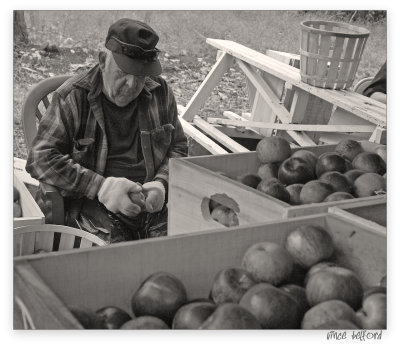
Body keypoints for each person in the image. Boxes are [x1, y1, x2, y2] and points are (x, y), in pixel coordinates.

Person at [26, 18, 188, 243]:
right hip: (94, 205)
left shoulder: (161, 92)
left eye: (140, 75)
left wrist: (162, 183)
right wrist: (101, 186)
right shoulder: (73, 97)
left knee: (181, 249)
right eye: (123, 73)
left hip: (151, 203)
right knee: (114, 261)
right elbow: (40, 158)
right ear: (103, 61)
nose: (132, 85)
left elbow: (178, 145)